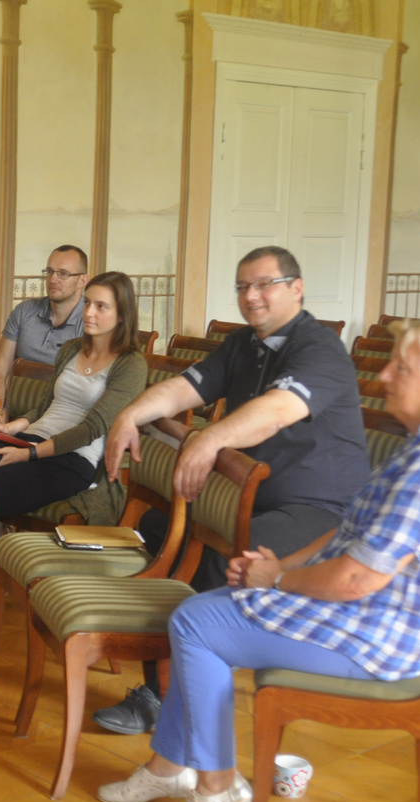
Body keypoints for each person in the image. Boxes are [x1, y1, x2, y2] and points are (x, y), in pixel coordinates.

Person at [95, 318, 420, 802]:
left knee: (195, 622)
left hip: (380, 641)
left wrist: (279, 578)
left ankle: (216, 785)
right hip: (374, 619)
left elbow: (355, 579)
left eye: (402, 368)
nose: (383, 376)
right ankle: (170, 767)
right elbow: (348, 531)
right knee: (204, 612)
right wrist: (279, 568)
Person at [91, 246, 371, 735]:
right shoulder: (244, 343)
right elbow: (183, 388)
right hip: (250, 494)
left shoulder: (319, 348)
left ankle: (167, 697)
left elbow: (278, 410)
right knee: (158, 527)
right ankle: (169, 667)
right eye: (243, 286)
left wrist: (210, 437)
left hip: (322, 510)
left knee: (219, 557)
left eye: (264, 284)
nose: (251, 296)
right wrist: (129, 414)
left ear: (296, 288)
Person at [0, 272, 148, 648]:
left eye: (102, 306)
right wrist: (15, 426)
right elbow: (48, 405)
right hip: (31, 441)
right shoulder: (72, 348)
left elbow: (92, 428)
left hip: (71, 461)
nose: (89, 312)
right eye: (88, 303)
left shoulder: (131, 364)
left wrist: (30, 451)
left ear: (122, 313)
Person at [0, 246, 89, 428]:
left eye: (63, 273)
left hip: (59, 423)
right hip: (12, 418)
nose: (53, 279)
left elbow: (84, 392)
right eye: (49, 271)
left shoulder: (90, 323)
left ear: (82, 280)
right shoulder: (24, 312)